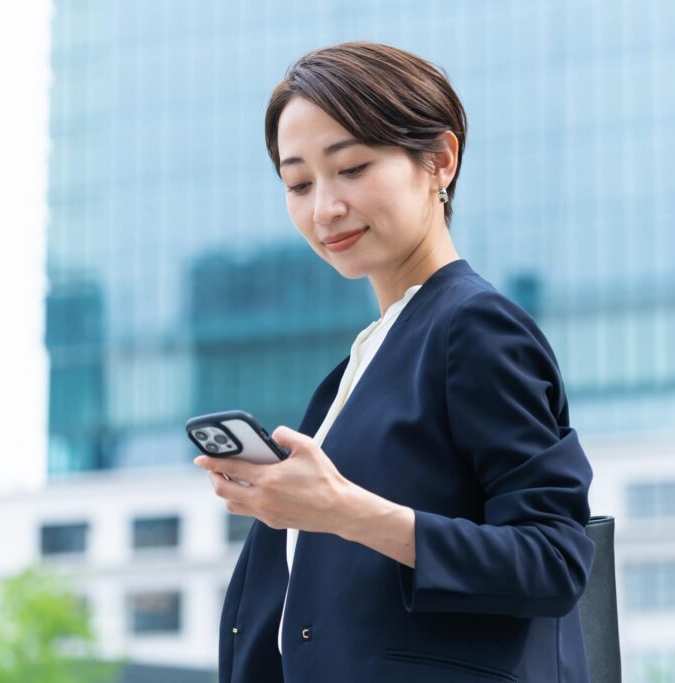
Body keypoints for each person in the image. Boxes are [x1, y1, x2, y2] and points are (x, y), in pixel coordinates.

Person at [193, 40, 595, 683]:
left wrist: (343, 511)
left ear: (439, 160)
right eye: (298, 183)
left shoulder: (474, 326)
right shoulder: (357, 368)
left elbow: (553, 559)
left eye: (351, 168)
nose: (324, 208)